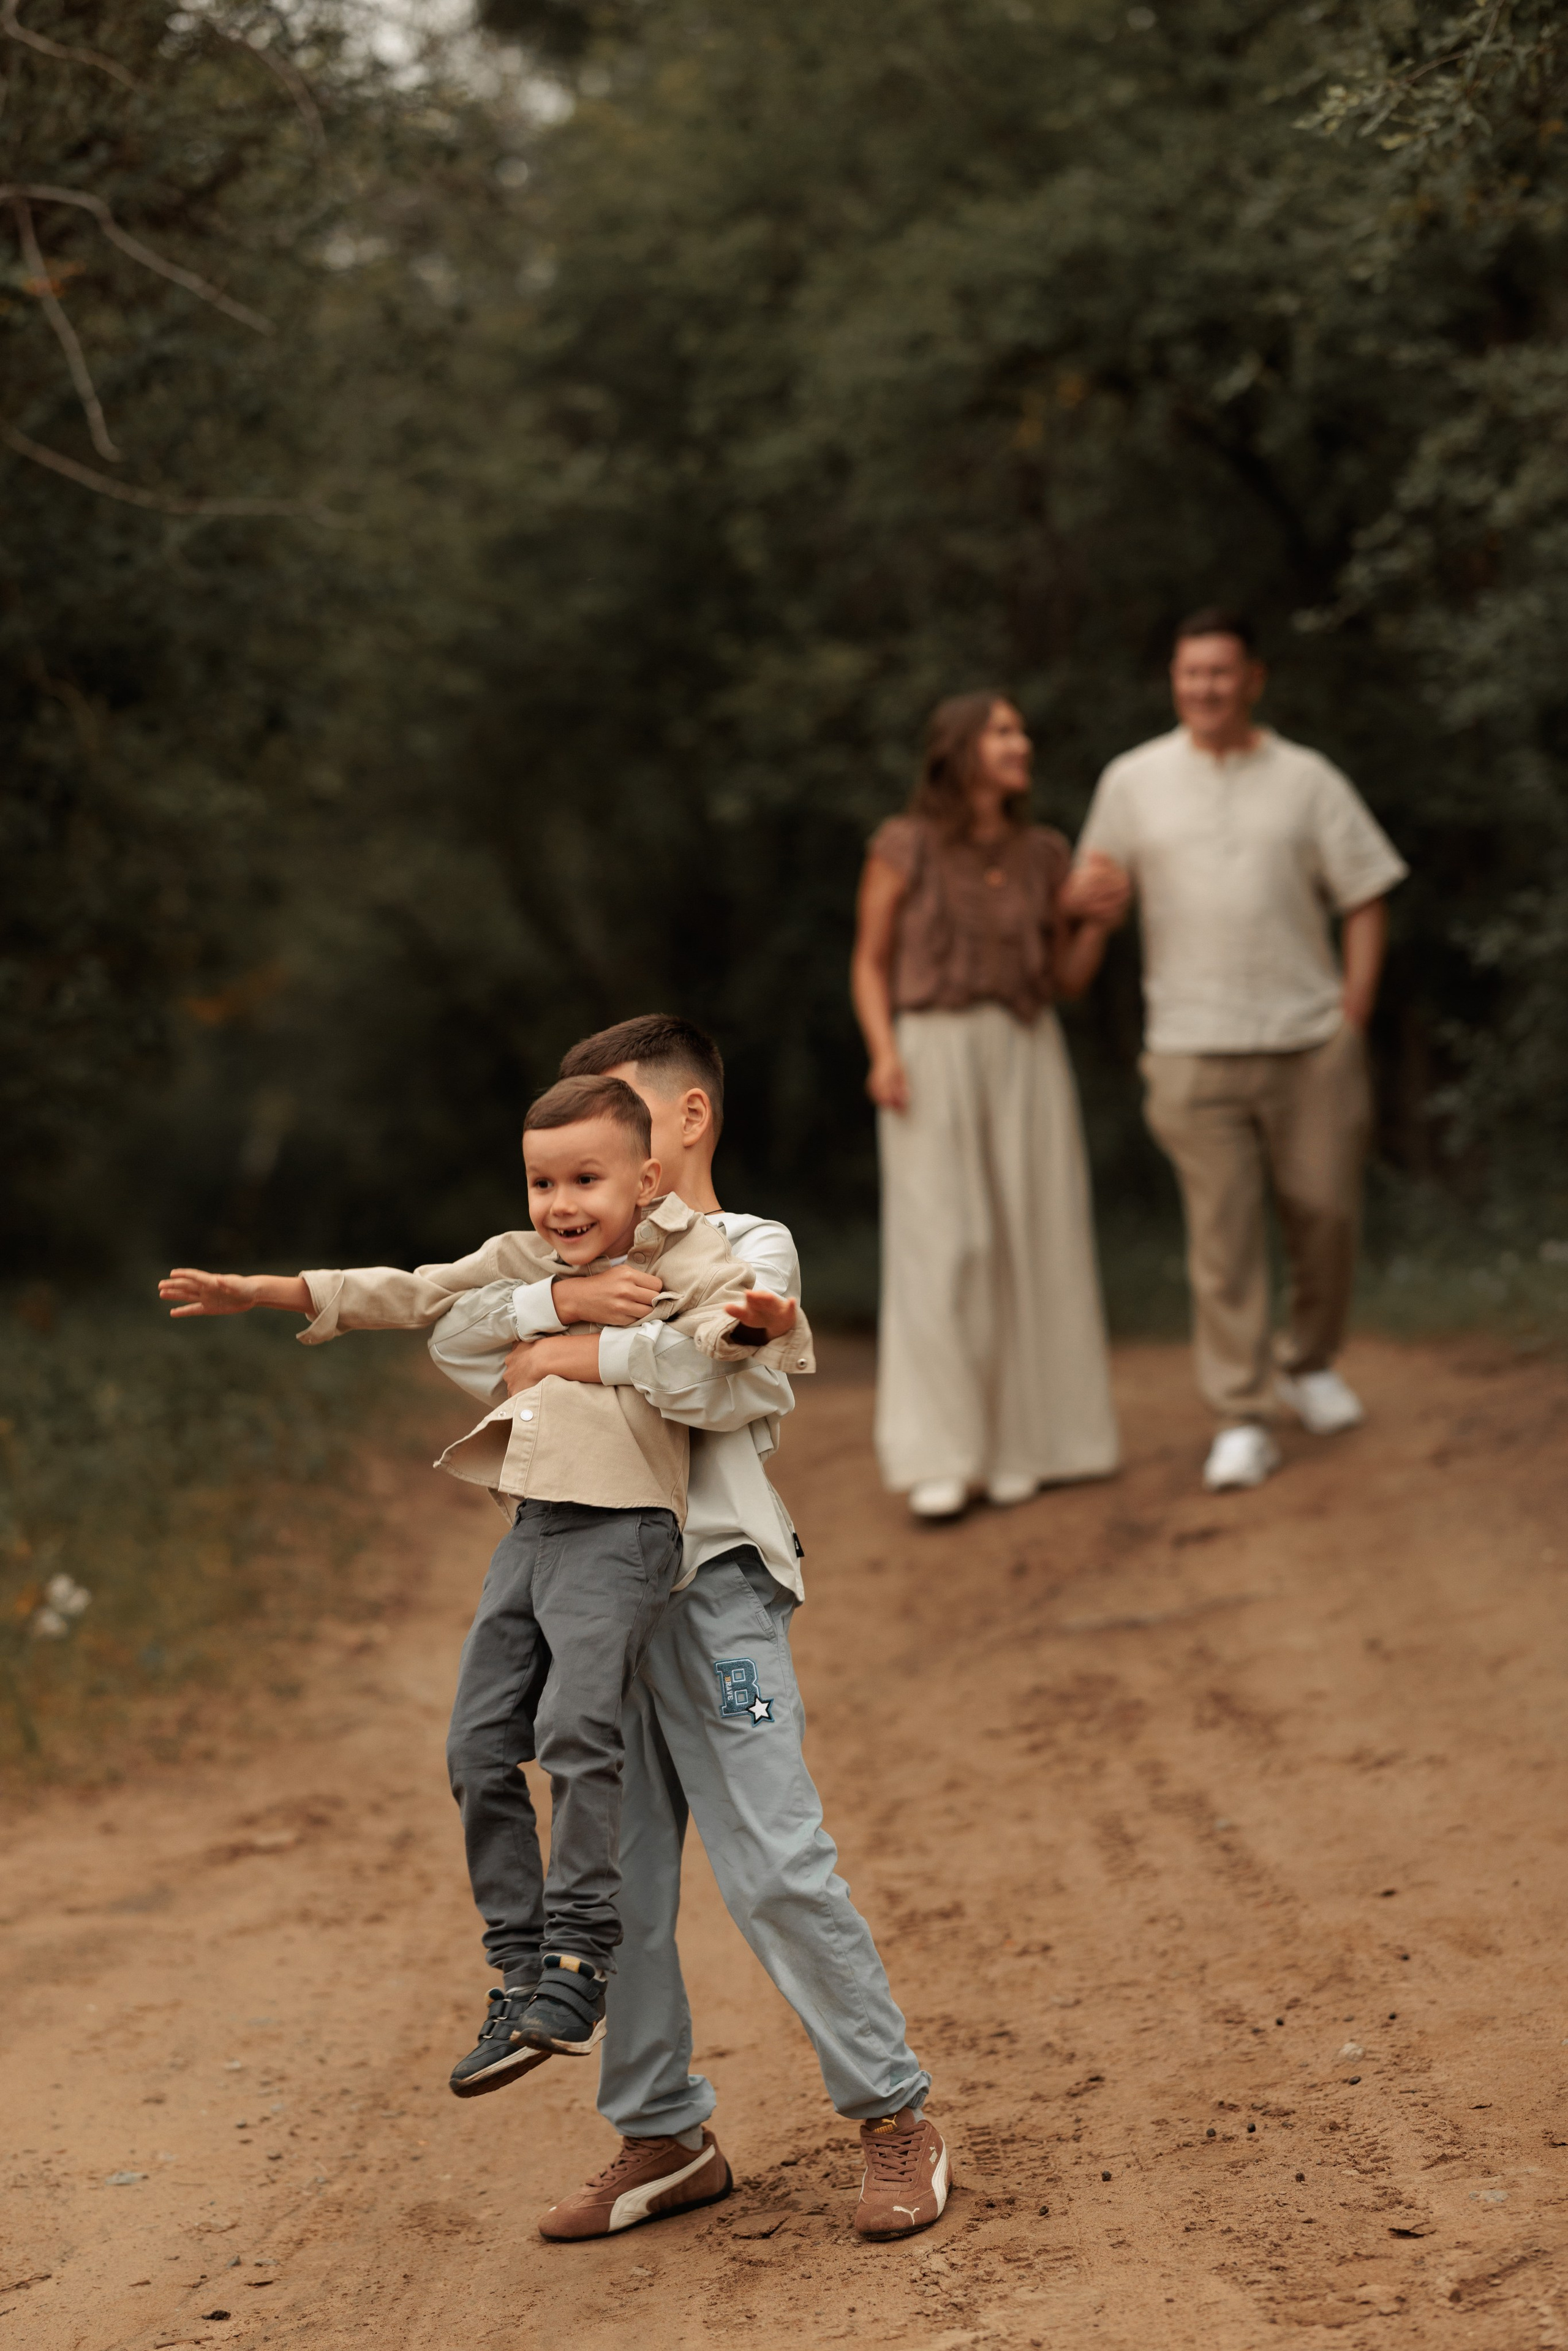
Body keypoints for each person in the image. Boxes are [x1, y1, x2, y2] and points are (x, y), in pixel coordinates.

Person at [159, 1074, 807, 2082]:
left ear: (644, 1177)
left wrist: (747, 1324)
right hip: (535, 1528)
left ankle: (579, 1954)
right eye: (542, 1182)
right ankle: (518, 1969)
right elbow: (416, 1294)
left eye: (586, 1178)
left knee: (574, 1729)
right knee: (475, 1745)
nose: (562, 1204)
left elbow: (722, 1342)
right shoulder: (523, 1264)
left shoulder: (685, 1257)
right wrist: (265, 1292)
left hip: (626, 1525)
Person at [428, 1015, 950, 2243]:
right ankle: (660, 2133)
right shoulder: (566, 1262)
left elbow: (737, 1376)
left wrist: (576, 1344)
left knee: (775, 1854)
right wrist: (565, 1323)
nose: (586, 1169)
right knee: (629, 1878)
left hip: (717, 1604)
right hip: (590, 1612)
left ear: (681, 1121)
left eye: (615, 1123)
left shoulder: (745, 1246)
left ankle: (892, 2114)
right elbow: (473, 1351)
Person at [1070, 607, 1408, 1491]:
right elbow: (1092, 892)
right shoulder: (1134, 780)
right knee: (1221, 1241)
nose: (1205, 689)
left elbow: (1366, 890)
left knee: (1326, 1213)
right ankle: (1242, 1413)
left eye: (1221, 673)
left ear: (1254, 678)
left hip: (1309, 1042)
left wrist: (1355, 1010)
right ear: (1175, 682)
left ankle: (1310, 1361)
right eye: (1191, 675)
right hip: (1189, 1046)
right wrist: (1080, 909)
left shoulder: (1308, 779)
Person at [850, 691, 1126, 1519]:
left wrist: (1097, 924)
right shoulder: (905, 846)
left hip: (1025, 1049)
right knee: (946, 1247)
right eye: (1004, 731)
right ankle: (942, 1454)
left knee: (1031, 1236)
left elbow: (1068, 981)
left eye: (1021, 730)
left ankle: (1026, 1448)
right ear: (961, 748)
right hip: (929, 1049)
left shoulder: (1045, 853)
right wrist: (884, 1051)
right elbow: (868, 962)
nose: (1022, 742)